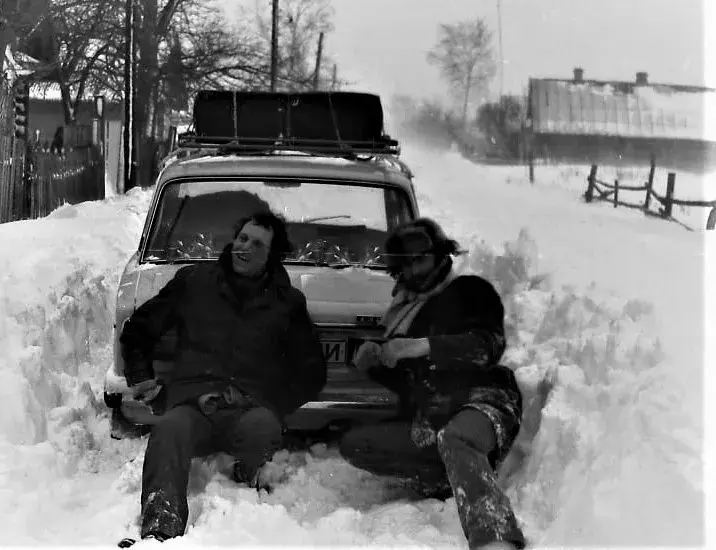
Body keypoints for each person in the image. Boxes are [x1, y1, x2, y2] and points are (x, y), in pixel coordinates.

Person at [119, 210, 327, 544]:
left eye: (256, 244)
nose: (244, 247)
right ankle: (161, 525)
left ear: (271, 256)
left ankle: (247, 468)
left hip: (248, 413)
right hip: (191, 405)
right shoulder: (195, 282)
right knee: (169, 431)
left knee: (264, 427)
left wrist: (271, 403)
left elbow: (312, 371)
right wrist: (142, 378)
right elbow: (139, 329)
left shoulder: (286, 303)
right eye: (242, 238)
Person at [339, 217, 526, 550]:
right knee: (356, 444)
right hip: (432, 416)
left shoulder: (470, 291)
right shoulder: (403, 311)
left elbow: (486, 346)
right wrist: (375, 363)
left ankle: (494, 538)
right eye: (406, 264)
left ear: (441, 256)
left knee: (458, 437)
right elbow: (411, 383)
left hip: (482, 399)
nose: (415, 270)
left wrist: (421, 345)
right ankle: (451, 478)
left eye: (421, 259)